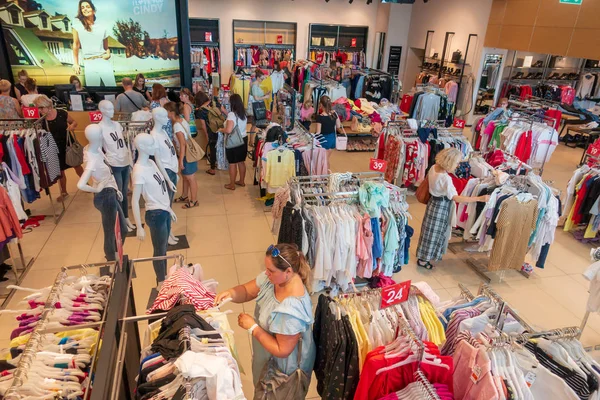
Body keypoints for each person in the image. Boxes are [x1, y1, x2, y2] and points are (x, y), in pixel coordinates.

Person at [214, 243, 315, 397]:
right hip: (267, 356)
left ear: (288, 271)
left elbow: (282, 350)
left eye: (271, 271)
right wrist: (231, 294)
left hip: (282, 372)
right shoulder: (275, 279)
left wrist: (253, 327)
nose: (266, 273)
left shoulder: (291, 309)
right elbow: (248, 290)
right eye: (266, 268)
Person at [416, 148, 490, 270]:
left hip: (432, 203)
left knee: (428, 231)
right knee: (435, 233)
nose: (457, 165)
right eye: (456, 162)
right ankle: (425, 260)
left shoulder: (434, 167)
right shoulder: (446, 178)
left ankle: (422, 256)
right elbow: (456, 198)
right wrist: (479, 198)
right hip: (442, 206)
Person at [34, 95, 84, 202]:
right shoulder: (41, 120)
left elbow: (74, 122)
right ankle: (64, 191)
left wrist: (72, 126)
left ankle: (85, 183)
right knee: (60, 170)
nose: (40, 110)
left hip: (67, 143)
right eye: (38, 108)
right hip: (53, 146)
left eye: (41, 107)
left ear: (48, 106)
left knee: (76, 165)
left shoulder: (61, 113)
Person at [72, 0, 117, 87]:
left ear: (93, 10)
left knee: (111, 90)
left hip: (102, 61)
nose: (85, 9)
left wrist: (108, 54)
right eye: (82, 7)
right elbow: (76, 45)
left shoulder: (102, 27)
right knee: (93, 91)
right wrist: (76, 63)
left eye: (87, 7)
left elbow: (106, 47)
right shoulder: (77, 26)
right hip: (89, 63)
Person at [164, 102, 198, 209]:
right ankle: (184, 195)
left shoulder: (177, 126)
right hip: (186, 153)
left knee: (190, 177)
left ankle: (194, 200)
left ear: (171, 112)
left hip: (187, 155)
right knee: (185, 176)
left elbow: (182, 143)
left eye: (166, 112)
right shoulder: (181, 120)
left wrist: (181, 159)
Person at [218, 94, 247, 191]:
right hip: (243, 139)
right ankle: (242, 181)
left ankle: (232, 184)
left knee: (232, 163)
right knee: (241, 162)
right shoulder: (243, 113)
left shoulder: (231, 115)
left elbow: (229, 130)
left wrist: (222, 129)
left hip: (233, 141)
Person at [195, 91, 222, 175]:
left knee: (213, 148)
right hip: (221, 127)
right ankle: (221, 163)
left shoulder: (201, 111)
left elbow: (203, 126)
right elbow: (223, 111)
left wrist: (207, 136)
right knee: (221, 146)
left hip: (212, 130)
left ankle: (212, 168)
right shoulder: (214, 103)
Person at [314, 95, 342, 160]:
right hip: (332, 138)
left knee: (324, 160)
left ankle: (326, 170)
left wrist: (313, 137)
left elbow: (318, 132)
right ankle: (328, 170)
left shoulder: (320, 117)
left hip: (323, 140)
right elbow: (338, 126)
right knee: (327, 159)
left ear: (321, 104)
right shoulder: (334, 114)